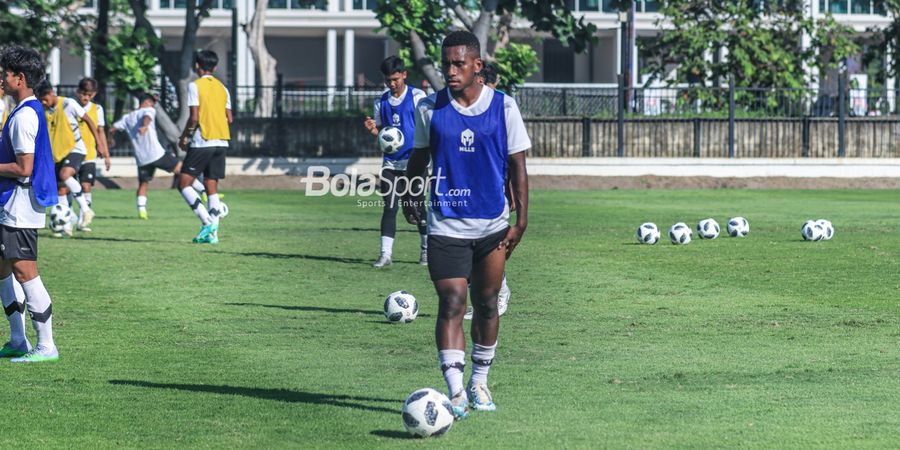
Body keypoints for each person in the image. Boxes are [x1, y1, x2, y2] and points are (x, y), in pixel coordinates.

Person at [406, 31, 530, 418]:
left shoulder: (505, 107)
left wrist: (521, 218)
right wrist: (409, 194)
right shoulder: (429, 108)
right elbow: (419, 157)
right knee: (452, 303)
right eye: (446, 63)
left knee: (488, 303)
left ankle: (480, 381)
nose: (450, 70)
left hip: (492, 224)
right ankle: (456, 391)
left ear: (478, 66)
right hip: (445, 224)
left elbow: (518, 166)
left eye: (459, 63)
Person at [0, 46, 62, 362]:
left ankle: (46, 345)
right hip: (11, 203)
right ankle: (17, 339)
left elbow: (24, 167)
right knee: (3, 268)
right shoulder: (26, 109)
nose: (2, 78)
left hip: (19, 205)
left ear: (19, 78)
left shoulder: (24, 116)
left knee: (26, 272)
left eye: (5, 73)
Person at [363, 56, 428, 268]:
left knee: (417, 207)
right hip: (390, 164)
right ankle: (385, 255)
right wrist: (374, 129)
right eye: (388, 80)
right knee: (389, 208)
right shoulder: (380, 102)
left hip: (414, 163)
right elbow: (383, 133)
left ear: (404, 75)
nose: (392, 83)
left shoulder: (418, 96)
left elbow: (427, 126)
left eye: (395, 79)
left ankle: (426, 250)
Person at [110, 93, 205, 219]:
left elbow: (112, 129)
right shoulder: (149, 110)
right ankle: (204, 192)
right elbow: (147, 117)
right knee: (183, 170)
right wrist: (144, 126)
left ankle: (142, 211)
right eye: (152, 102)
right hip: (156, 154)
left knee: (143, 184)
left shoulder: (127, 117)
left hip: (142, 159)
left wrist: (109, 139)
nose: (154, 105)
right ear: (147, 102)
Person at [37, 80, 108, 235]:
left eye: (45, 97)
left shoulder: (68, 104)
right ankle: (66, 225)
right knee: (61, 189)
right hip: (57, 154)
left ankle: (86, 209)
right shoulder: (44, 109)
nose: (43, 101)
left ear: (51, 93)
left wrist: (99, 143)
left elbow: (89, 120)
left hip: (76, 148)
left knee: (65, 175)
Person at [177, 50, 232, 244]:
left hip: (203, 140)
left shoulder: (195, 86)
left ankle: (207, 221)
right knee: (211, 188)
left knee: (183, 183)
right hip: (222, 141)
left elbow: (194, 117)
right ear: (215, 67)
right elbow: (230, 118)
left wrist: (184, 136)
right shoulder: (223, 88)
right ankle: (213, 236)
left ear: (197, 66)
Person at [74, 77, 111, 218]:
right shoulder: (71, 106)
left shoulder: (97, 109)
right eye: (83, 94)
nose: (86, 97)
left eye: (89, 95)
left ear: (94, 94)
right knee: (67, 187)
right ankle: (68, 216)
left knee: (86, 186)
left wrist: (106, 154)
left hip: (89, 154)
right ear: (78, 92)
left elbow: (101, 131)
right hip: (71, 152)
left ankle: (84, 218)